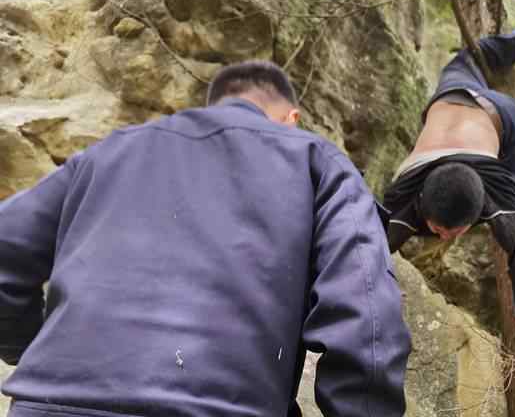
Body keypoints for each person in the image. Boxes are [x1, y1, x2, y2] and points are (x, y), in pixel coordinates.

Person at [0, 61, 411, 417]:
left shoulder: (107, 153)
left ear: (210, 107)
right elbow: (367, 314)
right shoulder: (317, 160)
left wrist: (28, 350)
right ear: (291, 118)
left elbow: (5, 245)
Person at [381, 23, 515, 334]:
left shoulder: (498, 191)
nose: (445, 238)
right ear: (420, 205)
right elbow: (372, 247)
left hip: (497, 115)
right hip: (452, 96)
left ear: (483, 209)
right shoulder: (403, 197)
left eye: (453, 231)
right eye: (438, 229)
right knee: (467, 58)